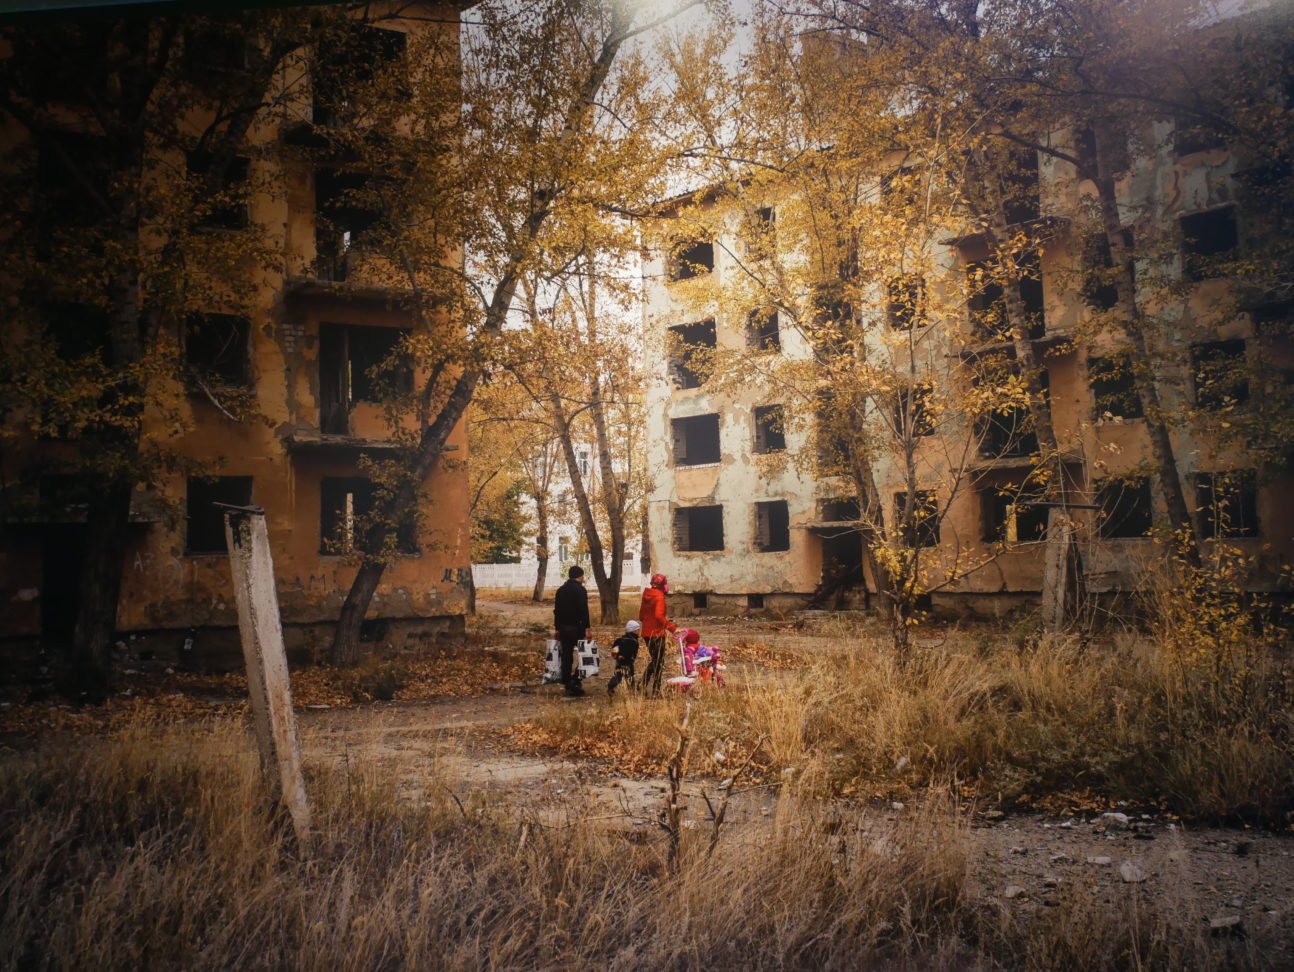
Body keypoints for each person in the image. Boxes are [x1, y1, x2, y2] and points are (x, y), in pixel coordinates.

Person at [553, 565, 591, 697]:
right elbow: (583, 611)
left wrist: (557, 628)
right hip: (577, 628)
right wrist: (587, 628)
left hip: (563, 628)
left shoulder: (560, 590)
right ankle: (576, 679)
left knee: (567, 657)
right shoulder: (580, 590)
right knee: (585, 655)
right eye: (582, 576)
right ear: (580, 576)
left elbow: (557, 611)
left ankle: (567, 682)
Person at [639, 572, 677, 695]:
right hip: (657, 634)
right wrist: (672, 628)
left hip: (646, 633)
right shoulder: (659, 596)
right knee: (659, 662)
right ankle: (655, 690)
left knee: (656, 660)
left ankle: (642, 685)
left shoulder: (646, 595)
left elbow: (641, 616)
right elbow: (658, 615)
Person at [607, 619, 641, 697]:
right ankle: (631, 691)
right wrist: (626, 657)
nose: (639, 631)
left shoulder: (619, 640)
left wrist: (617, 656)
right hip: (628, 662)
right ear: (633, 630)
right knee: (630, 676)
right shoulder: (633, 641)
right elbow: (630, 652)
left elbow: (614, 649)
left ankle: (611, 687)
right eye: (637, 630)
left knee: (618, 675)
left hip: (619, 661)